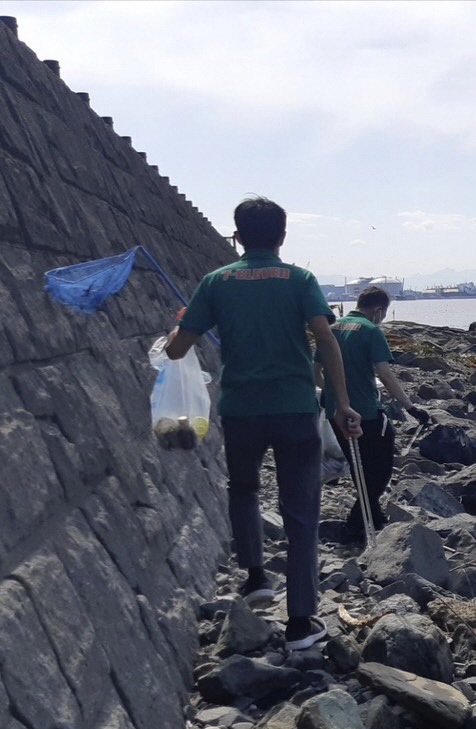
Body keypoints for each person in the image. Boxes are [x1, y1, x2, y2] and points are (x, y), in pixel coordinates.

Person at [162, 196, 361, 651]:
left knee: (245, 490)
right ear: (282, 236)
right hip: (293, 408)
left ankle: (255, 578)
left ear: (237, 236)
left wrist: (179, 326)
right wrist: (341, 403)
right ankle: (301, 622)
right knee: (301, 514)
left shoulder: (216, 282)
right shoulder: (300, 279)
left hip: (241, 409)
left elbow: (176, 349)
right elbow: (325, 339)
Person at [319, 285, 428, 543]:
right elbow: (385, 374)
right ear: (378, 310)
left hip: (335, 412)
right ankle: (355, 524)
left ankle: (374, 515)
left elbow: (316, 370)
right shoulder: (370, 331)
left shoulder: (332, 329)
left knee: (359, 468)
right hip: (366, 412)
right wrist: (410, 407)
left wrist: (333, 392)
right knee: (380, 472)